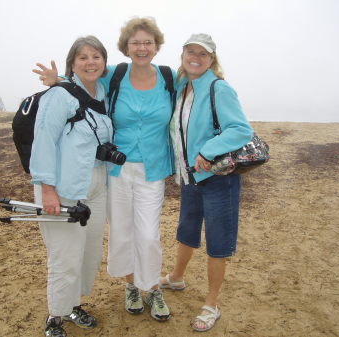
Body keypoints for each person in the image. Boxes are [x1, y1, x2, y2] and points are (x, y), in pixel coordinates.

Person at [33, 17, 174, 321]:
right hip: (113, 173)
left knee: (146, 235)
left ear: (156, 45)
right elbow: (80, 83)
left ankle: (151, 287)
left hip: (148, 168)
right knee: (120, 233)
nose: (141, 47)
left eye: (147, 42)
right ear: (126, 46)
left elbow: (88, 81)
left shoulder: (168, 77)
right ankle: (129, 287)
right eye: (135, 42)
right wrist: (59, 80)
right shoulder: (117, 76)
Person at [159, 34, 253, 332]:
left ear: (211, 59)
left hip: (217, 178)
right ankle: (176, 278)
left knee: (218, 239)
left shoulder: (218, 88)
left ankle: (211, 304)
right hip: (190, 177)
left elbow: (240, 129)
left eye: (203, 53)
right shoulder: (182, 87)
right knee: (186, 229)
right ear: (183, 54)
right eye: (191, 51)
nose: (195, 57)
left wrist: (206, 151)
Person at [30, 36, 113, 337]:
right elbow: (43, 143)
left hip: (97, 185)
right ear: (72, 62)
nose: (90, 62)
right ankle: (56, 316)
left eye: (96, 56)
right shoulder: (58, 96)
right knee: (64, 254)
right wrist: (47, 190)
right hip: (62, 187)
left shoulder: (102, 92)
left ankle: (73, 304)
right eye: (83, 57)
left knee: (88, 253)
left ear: (104, 62)